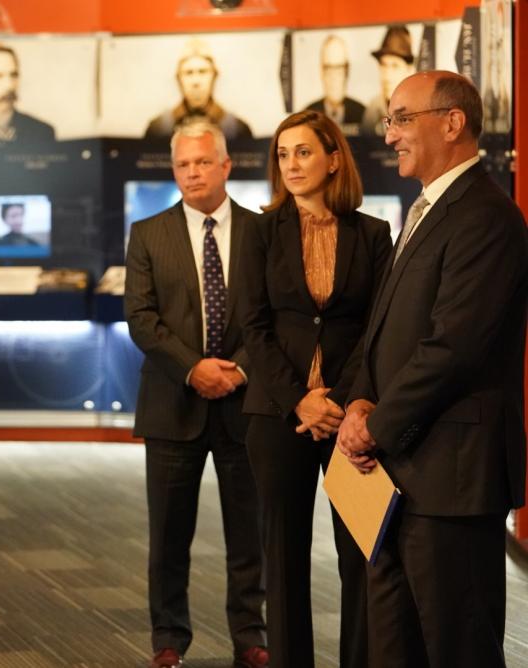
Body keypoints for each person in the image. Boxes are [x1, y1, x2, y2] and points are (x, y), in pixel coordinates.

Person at [338, 71, 528, 668]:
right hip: (397, 476)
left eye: (400, 118)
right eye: (388, 120)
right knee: (393, 645)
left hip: (451, 478)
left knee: (457, 646)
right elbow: (385, 330)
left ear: (452, 123)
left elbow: (454, 347)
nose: (389, 134)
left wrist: (376, 423)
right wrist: (360, 402)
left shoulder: (486, 217)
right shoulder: (426, 209)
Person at [238, 110, 392, 668]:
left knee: (359, 558)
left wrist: (340, 399)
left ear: (333, 158)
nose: (292, 164)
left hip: (351, 417)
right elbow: (252, 327)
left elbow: (379, 328)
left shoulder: (372, 234)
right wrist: (299, 399)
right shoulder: (258, 230)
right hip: (278, 415)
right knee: (282, 558)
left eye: (303, 152)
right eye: (283, 154)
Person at [125, 120, 268, 668]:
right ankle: (168, 639)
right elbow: (140, 318)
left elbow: (275, 317)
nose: (191, 172)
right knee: (168, 537)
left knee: (248, 535)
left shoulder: (261, 231)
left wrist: (239, 370)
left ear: (226, 166)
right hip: (172, 405)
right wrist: (194, 369)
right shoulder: (148, 232)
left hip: (245, 403)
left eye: (203, 162)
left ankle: (250, 637)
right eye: (183, 164)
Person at [144, 38, 252, 142]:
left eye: (203, 72)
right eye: (189, 73)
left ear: (214, 77)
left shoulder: (237, 129)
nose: (196, 81)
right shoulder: (158, 129)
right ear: (179, 79)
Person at [305, 35, 366, 136]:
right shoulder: (308, 114)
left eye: (339, 68)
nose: (334, 76)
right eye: (329, 68)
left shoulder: (362, 114)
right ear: (321, 71)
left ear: (347, 71)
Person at [361, 25, 416, 136]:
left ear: (410, 70)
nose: (387, 75)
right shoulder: (372, 108)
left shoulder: (420, 109)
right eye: (383, 65)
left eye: (395, 66)